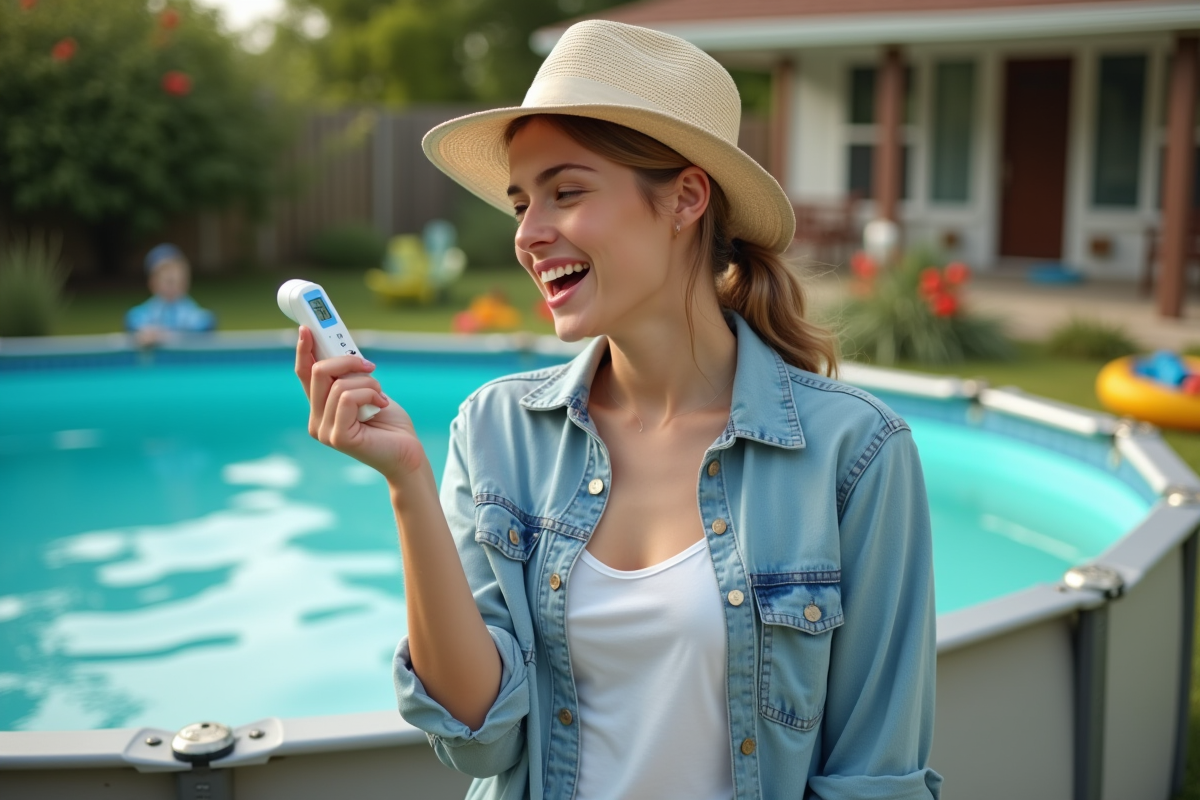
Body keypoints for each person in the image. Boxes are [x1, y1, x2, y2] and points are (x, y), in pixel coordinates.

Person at [294, 20, 941, 800]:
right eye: (522, 201)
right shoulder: (495, 430)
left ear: (686, 199)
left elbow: (874, 779)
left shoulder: (857, 453)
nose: (529, 234)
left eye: (566, 192)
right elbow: (477, 736)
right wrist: (405, 484)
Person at [125, 244, 215, 346]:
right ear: (152, 283)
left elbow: (204, 324)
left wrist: (164, 337)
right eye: (169, 281)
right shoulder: (142, 314)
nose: (173, 287)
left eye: (179, 281)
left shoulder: (195, 314)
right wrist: (144, 333)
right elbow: (133, 321)